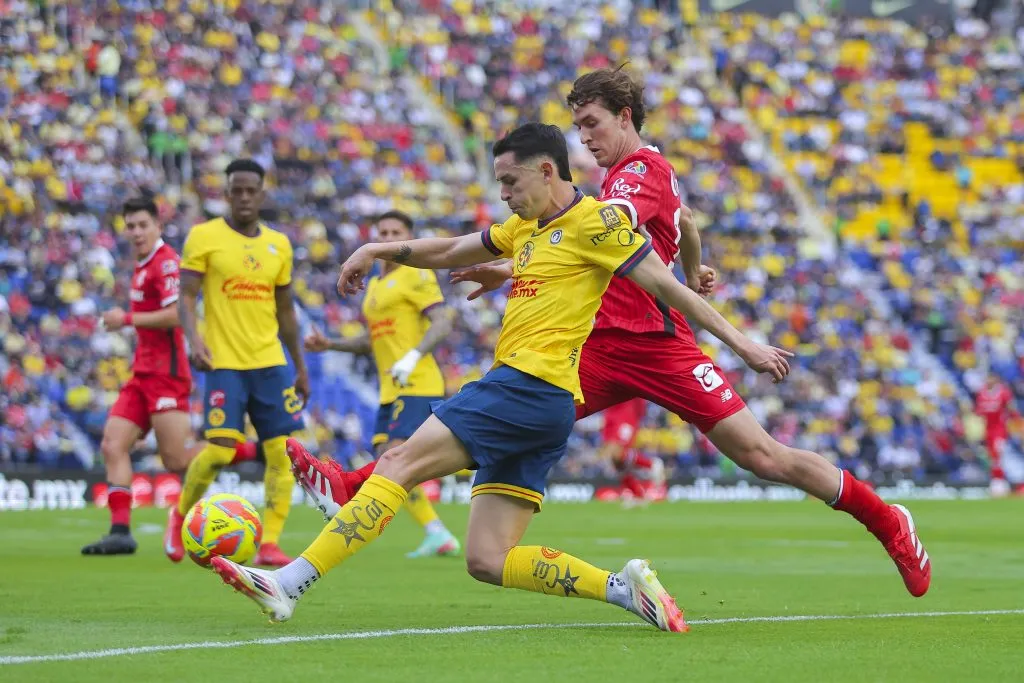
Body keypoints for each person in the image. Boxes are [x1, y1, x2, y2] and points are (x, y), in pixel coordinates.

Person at [304, 67, 932, 598]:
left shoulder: (637, 174)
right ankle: (356, 483)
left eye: (592, 124)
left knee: (763, 457)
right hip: (596, 348)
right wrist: (694, 266)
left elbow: (600, 231)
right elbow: (686, 222)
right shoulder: (633, 177)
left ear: (625, 116)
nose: (585, 139)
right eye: (578, 128)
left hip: (660, 345)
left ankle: (887, 521)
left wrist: (731, 333)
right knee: (494, 418)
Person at [206, 122, 793, 631]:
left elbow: (669, 287)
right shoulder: (524, 228)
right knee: (488, 559)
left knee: (398, 463)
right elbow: (450, 250)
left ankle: (289, 582)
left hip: (526, 385)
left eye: (510, 182)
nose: (504, 194)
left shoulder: (597, 223)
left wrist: (743, 345)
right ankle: (624, 589)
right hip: (547, 405)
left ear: (546, 171)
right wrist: (377, 250)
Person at [169, 159, 309, 567]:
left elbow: (286, 311)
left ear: (262, 195)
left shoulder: (279, 245)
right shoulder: (204, 236)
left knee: (282, 453)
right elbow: (186, 296)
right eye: (237, 190)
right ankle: (179, 516)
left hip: (270, 362)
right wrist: (194, 340)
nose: (244, 197)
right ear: (226, 193)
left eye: (252, 191)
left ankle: (271, 543)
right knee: (219, 451)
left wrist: (300, 366)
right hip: (223, 361)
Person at [303, 209, 462, 558]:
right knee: (388, 461)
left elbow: (442, 322)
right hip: (390, 388)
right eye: (383, 233)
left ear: (408, 239)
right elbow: (370, 340)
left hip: (418, 382)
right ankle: (436, 533)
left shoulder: (416, 274)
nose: (388, 238)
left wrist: (412, 357)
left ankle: (343, 500)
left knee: (395, 456)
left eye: (395, 233)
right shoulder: (374, 286)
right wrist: (330, 344)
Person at [80, 197, 193, 556]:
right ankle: (120, 532)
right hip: (142, 374)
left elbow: (177, 315)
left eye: (143, 224)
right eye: (131, 226)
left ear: (159, 226)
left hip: (166, 374)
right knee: (112, 445)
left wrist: (125, 319)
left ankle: (249, 450)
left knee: (175, 460)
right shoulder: (142, 265)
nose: (137, 232)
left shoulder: (167, 262)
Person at [597, 398, 664, 503]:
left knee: (617, 452)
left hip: (625, 412)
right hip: (609, 411)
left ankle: (651, 464)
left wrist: (639, 413)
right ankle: (638, 494)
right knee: (613, 460)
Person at [974, 373, 1017, 496]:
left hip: (999, 430)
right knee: (992, 457)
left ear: (996, 380)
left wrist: (1015, 421)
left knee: (998, 455)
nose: (989, 381)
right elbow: (979, 411)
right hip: (988, 430)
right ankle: (996, 482)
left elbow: (1011, 408)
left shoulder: (1003, 392)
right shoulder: (982, 393)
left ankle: (1000, 482)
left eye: (991, 378)